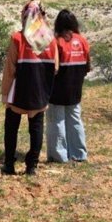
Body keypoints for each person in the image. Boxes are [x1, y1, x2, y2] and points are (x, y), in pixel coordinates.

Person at [1, 0, 58, 176]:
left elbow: (10, 68)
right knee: (36, 127)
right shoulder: (50, 40)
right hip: (40, 90)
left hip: (19, 90)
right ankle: (31, 166)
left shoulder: (17, 38)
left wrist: (4, 92)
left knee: (11, 127)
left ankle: (9, 164)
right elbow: (55, 67)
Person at [46, 9, 90, 163]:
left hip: (58, 89)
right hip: (76, 87)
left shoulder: (56, 41)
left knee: (56, 121)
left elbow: (52, 67)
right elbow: (88, 66)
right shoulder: (82, 40)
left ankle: (59, 155)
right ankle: (79, 153)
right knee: (75, 119)